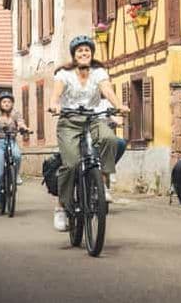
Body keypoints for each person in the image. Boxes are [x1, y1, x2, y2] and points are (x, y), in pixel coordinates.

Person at [47, 35, 129, 231]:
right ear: (74, 55)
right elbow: (56, 94)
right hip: (69, 121)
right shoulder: (64, 74)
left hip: (93, 118)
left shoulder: (98, 72)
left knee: (110, 139)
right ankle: (61, 207)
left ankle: (102, 182)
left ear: (91, 54)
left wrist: (118, 105)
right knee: (71, 164)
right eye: (80, 51)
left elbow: (106, 89)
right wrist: (54, 104)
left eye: (87, 51)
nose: (84, 54)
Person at [0, 91, 27, 210]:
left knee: (17, 156)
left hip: (11, 141)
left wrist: (24, 128)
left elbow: (20, 123)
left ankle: (16, 174)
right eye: (4, 102)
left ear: (12, 103)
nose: (7, 104)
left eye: (9, 102)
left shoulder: (15, 113)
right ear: (0, 103)